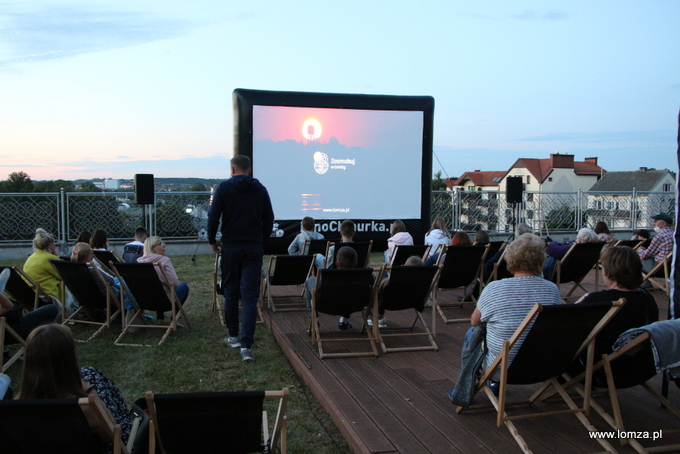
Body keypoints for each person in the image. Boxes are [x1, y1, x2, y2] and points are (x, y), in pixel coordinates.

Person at [449, 234, 562, 403]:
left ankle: (468, 386)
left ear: (511, 262)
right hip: (543, 366)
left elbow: (475, 320)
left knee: (475, 330)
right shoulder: (551, 290)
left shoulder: (496, 288)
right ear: (540, 263)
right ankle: (491, 383)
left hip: (502, 367)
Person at [18, 324, 132, 449]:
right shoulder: (83, 407)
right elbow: (115, 437)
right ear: (68, 359)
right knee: (91, 374)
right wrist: (89, 390)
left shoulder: (15, 409)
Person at [208, 155, 274, 362]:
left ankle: (233, 335)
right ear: (249, 169)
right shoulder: (261, 189)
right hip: (253, 247)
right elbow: (269, 219)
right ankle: (247, 346)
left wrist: (212, 240)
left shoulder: (224, 189)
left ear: (233, 169)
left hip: (231, 247)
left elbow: (213, 216)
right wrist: (260, 241)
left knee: (231, 292)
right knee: (250, 296)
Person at [570, 246, 658, 382]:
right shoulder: (647, 298)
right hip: (641, 368)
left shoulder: (596, 300)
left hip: (600, 370)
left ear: (608, 272)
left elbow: (564, 334)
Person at [305, 246, 362, 330]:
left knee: (310, 281)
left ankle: (313, 319)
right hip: (353, 306)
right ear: (356, 262)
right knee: (349, 294)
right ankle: (344, 321)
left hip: (326, 305)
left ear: (337, 263)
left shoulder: (328, 278)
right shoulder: (363, 277)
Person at [137, 236, 189, 324]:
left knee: (156, 288)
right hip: (166, 303)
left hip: (145, 302)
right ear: (153, 248)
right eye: (160, 244)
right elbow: (175, 283)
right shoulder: (164, 261)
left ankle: (160, 318)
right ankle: (174, 317)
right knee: (183, 286)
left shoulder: (139, 262)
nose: (164, 245)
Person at [0, 268, 59, 346]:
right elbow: (8, 307)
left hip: (7, 331)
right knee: (51, 309)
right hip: (12, 333)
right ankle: (43, 337)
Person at [372, 255, 425, 328]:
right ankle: (379, 319)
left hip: (389, 302)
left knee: (379, 291)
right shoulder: (423, 283)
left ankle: (379, 318)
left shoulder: (390, 283)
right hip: (411, 302)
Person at [23, 228, 63, 301]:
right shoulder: (50, 258)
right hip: (47, 295)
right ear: (51, 245)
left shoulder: (31, 257)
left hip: (31, 295)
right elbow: (63, 276)